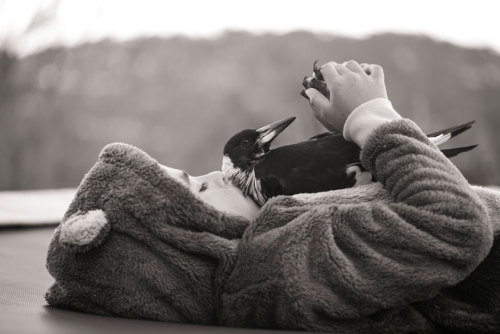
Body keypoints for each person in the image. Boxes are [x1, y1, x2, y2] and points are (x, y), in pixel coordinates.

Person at [46, 60, 499, 333]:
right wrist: (372, 116)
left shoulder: (268, 253)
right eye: (198, 186)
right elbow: (456, 225)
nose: (212, 174)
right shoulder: (278, 265)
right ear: (195, 238)